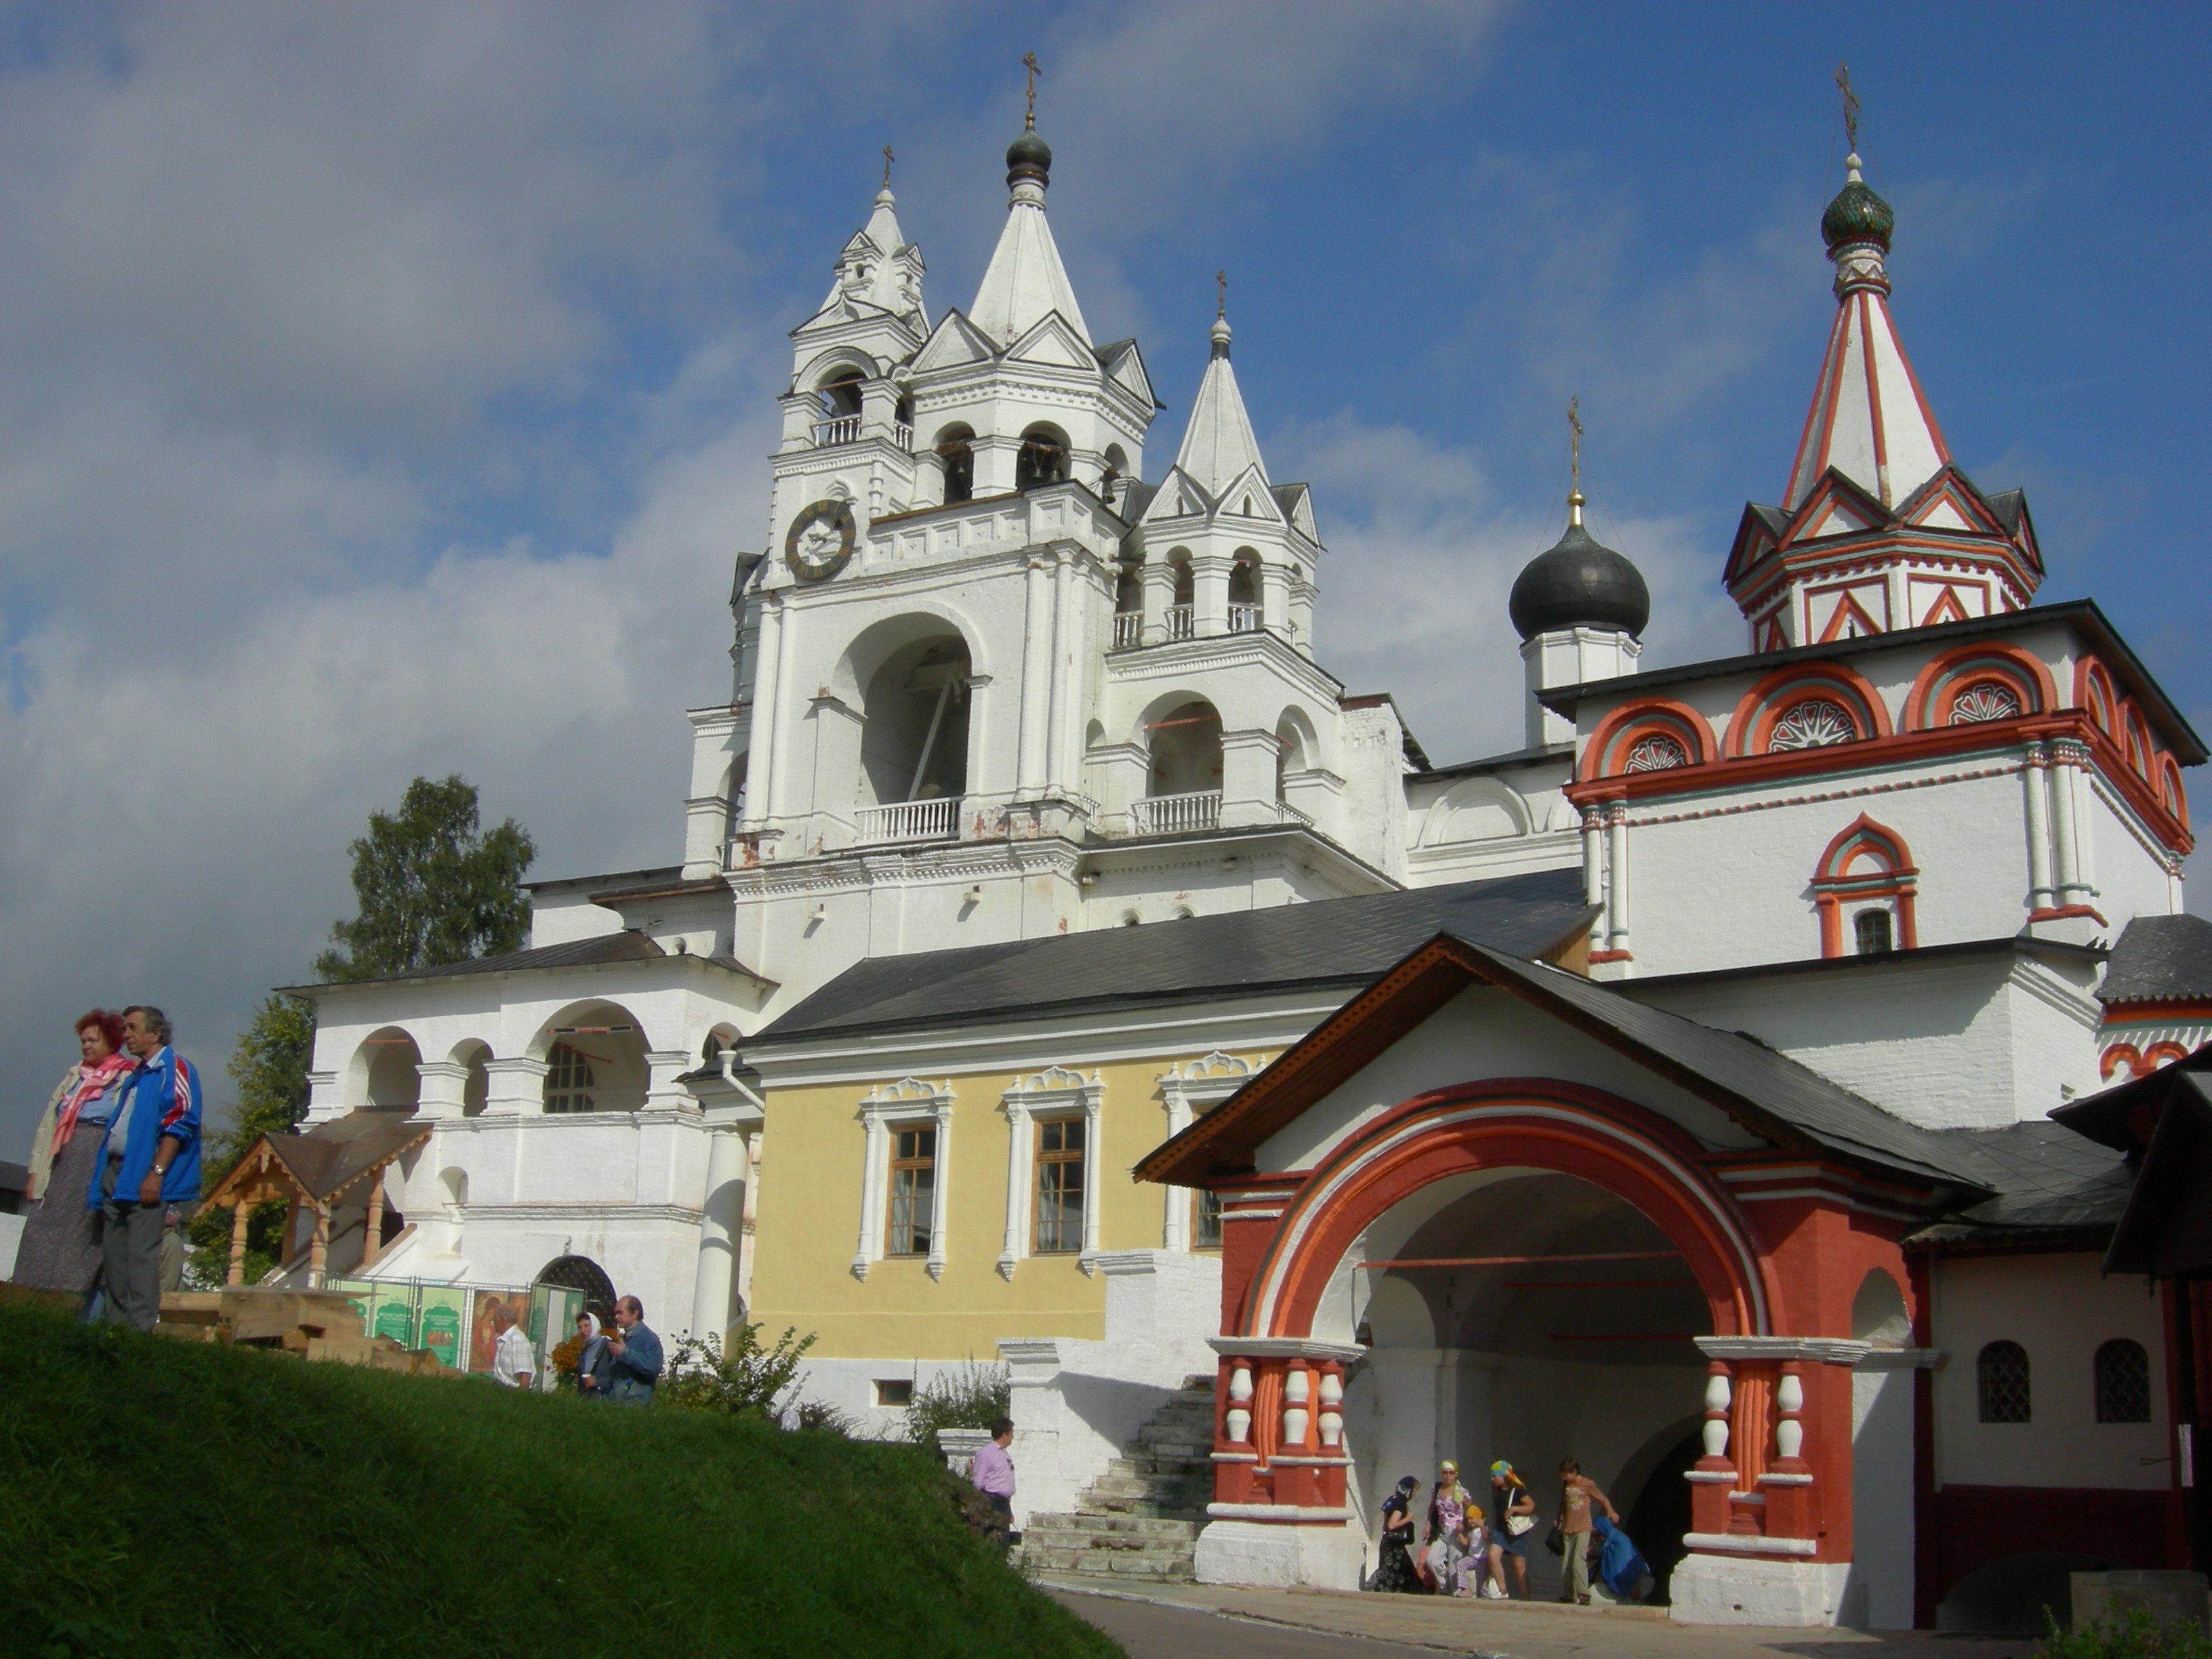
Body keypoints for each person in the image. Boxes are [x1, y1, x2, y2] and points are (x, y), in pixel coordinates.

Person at [91, 1006, 201, 1332]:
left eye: (133, 1028)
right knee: (115, 1257)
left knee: (140, 1256)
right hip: (117, 1172)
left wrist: (156, 1173)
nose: (126, 1034)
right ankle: (115, 1328)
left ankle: (138, 1332)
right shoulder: (137, 1076)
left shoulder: (175, 1068)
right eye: (125, 1028)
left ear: (155, 1034)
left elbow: (180, 1121)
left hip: (146, 1176)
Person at [13, 1010, 134, 1305]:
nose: (86, 1046)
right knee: (43, 1223)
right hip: (62, 1157)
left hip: (96, 1157)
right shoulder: (74, 1077)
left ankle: (76, 1300)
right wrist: (35, 1172)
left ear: (111, 1041)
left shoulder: (127, 1076)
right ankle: (30, 1295)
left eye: (93, 1040)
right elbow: (48, 1126)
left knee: (87, 1228)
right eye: (83, 1041)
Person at [1555, 1456, 1618, 1605]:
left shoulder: (1588, 1484)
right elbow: (1565, 1505)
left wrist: (1611, 1511)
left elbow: (1602, 1499)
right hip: (1568, 1528)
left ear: (1574, 1472)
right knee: (1566, 1563)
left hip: (1583, 1527)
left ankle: (1584, 1594)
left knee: (1579, 1561)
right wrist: (1560, 1519)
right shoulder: (1567, 1486)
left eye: (1566, 1474)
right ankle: (1568, 1594)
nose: (1564, 1478)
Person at [1487, 1460, 1538, 1600]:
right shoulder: (1497, 1492)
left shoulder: (1518, 1490)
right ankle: (1503, 1592)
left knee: (1519, 1568)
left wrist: (1514, 1509)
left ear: (1504, 1476)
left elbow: (1531, 1506)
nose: (1492, 1479)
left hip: (1517, 1534)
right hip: (1501, 1531)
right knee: (1493, 1556)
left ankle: (1526, 1599)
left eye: (1495, 1476)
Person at [1423, 1459, 1475, 1591]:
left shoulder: (1462, 1491)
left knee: (1454, 1564)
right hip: (1441, 1530)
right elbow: (1431, 1508)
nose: (1448, 1476)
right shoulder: (1437, 1489)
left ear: (1456, 1474)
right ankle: (1445, 1586)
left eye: (1451, 1473)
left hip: (1456, 1531)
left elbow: (1472, 1510)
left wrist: (1465, 1525)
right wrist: (1428, 1525)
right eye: (1445, 1473)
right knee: (1432, 1559)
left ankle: (1455, 1592)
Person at [1366, 1476, 1424, 1593]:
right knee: (1397, 1571)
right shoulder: (1401, 1504)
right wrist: (1408, 1518)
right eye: (1414, 1491)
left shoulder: (1393, 1500)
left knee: (1392, 1571)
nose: (1414, 1495)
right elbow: (1392, 1525)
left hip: (1388, 1542)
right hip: (1394, 1545)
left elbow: (1385, 1524)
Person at [605, 1294, 663, 1405]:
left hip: (635, 1403)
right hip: (617, 1403)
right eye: (615, 1313)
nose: (616, 1317)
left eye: (620, 1313)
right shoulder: (624, 1338)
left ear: (635, 1314)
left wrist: (624, 1353)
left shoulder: (648, 1338)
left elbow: (654, 1367)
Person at [970, 1416, 1017, 1547]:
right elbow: (978, 1481)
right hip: (992, 1500)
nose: (1013, 1437)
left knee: (1004, 1541)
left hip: (1003, 1502)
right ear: (1004, 1435)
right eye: (1011, 1433)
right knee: (995, 1540)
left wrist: (1009, 1511)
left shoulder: (1004, 1455)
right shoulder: (987, 1453)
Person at [490, 1304, 535, 1390]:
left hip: (513, 1392)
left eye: (494, 1318)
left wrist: (519, 1399)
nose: (493, 1321)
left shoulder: (517, 1339)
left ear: (502, 1320)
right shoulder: (505, 1340)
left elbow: (525, 1375)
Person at [1448, 1508, 1489, 1597]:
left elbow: (1486, 1538)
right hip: (1472, 1558)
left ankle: (1484, 1598)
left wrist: (1482, 1526)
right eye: (1468, 1519)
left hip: (1482, 1559)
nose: (1470, 1521)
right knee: (1461, 1564)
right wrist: (1459, 1533)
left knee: (1480, 1583)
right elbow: (1465, 1543)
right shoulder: (1471, 1532)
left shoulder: (1484, 1529)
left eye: (1472, 1518)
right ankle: (1465, 1589)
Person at [573, 1309, 613, 1399]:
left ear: (595, 1326)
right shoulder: (584, 1352)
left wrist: (597, 1382)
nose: (583, 1330)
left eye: (587, 1326)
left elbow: (617, 1377)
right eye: (580, 1327)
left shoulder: (608, 1347)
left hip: (606, 1402)